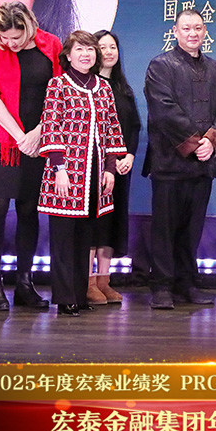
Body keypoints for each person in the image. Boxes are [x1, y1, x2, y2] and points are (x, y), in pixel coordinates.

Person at [142, 9, 216, 310]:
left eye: (198, 28)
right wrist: (195, 143)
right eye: (186, 28)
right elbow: (163, 110)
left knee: (192, 229)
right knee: (165, 228)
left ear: (205, 32)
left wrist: (211, 140)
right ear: (175, 32)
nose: (193, 33)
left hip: (203, 163)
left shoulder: (215, 68)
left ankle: (186, 283)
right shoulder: (161, 65)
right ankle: (162, 286)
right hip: (169, 162)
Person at [37, 31, 127, 316]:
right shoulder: (59, 84)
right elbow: (51, 126)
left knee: (85, 237)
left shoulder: (103, 87)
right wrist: (59, 168)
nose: (86, 54)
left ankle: (80, 293)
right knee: (64, 238)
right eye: (79, 49)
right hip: (66, 172)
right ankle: (65, 298)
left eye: (90, 49)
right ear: (68, 54)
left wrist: (110, 168)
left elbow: (112, 130)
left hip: (95, 174)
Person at [0, 2, 62, 310]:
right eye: (5, 38)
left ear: (29, 27)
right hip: (4, 141)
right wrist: (19, 136)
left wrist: (39, 132)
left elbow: (57, 94)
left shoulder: (50, 44)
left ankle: (25, 283)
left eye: (16, 37)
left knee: (29, 210)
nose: (10, 43)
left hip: (38, 140)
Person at [89, 30, 142, 305]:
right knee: (94, 223)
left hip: (121, 167)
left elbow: (133, 127)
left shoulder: (123, 88)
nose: (109, 52)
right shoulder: (88, 86)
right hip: (95, 166)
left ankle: (104, 280)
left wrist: (129, 155)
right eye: (103, 47)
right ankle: (88, 282)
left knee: (113, 222)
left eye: (113, 47)